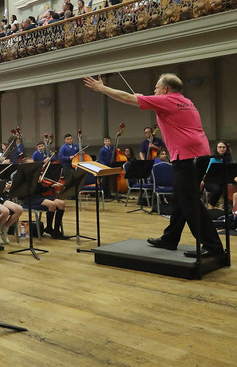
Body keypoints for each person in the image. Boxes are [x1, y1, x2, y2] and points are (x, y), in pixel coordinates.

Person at [84, 73, 224, 258]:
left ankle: (213, 246)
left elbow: (126, 98)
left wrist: (101, 88)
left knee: (189, 202)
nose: (154, 91)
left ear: (165, 90)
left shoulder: (166, 100)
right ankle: (170, 238)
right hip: (199, 154)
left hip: (187, 157)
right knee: (180, 198)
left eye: (156, 88)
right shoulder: (186, 101)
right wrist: (148, 99)